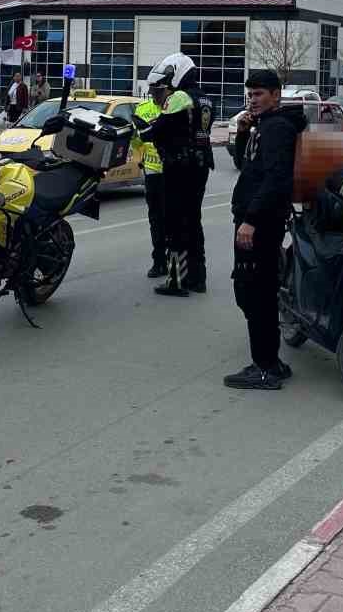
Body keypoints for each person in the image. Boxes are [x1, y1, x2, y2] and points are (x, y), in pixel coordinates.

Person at [223, 68, 306, 390]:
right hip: (258, 220)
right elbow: (250, 169)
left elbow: (276, 179)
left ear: (276, 95)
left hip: (259, 223)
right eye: (250, 94)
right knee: (257, 292)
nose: (252, 100)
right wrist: (244, 132)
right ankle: (272, 362)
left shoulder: (277, 129)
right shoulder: (265, 126)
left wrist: (251, 220)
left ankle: (265, 367)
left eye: (259, 94)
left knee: (253, 293)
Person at [131, 53, 215, 297]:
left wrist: (139, 125)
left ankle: (176, 281)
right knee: (193, 221)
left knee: (174, 224)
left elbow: (154, 132)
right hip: (200, 167)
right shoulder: (205, 98)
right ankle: (198, 278)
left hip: (179, 167)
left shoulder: (179, 97)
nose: (160, 91)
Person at [132, 95, 167, 278]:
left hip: (172, 170)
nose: (155, 92)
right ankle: (159, 261)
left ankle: (175, 262)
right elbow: (136, 140)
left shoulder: (174, 105)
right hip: (152, 170)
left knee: (172, 220)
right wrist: (138, 153)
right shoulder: (142, 109)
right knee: (156, 220)